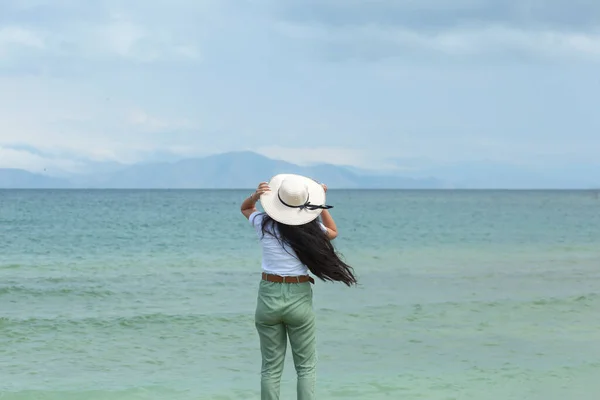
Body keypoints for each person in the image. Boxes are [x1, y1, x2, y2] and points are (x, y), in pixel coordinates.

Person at [240, 173, 357, 400]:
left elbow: (246, 209)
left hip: (268, 294)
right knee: (305, 367)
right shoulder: (310, 230)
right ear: (304, 204)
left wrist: (255, 195)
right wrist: (320, 205)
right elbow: (333, 232)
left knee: (271, 368)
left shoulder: (263, 223)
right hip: (298, 296)